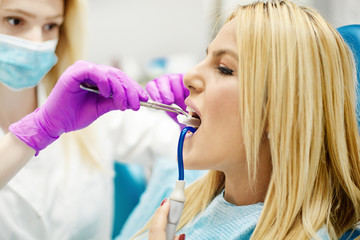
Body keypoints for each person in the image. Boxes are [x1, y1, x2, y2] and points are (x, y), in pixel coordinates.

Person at [124, 1, 360, 239]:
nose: (188, 77)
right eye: (205, 59)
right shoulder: (175, 182)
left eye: (224, 69)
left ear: (279, 111)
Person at [0, 0, 180, 239]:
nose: (37, 42)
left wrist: (190, 116)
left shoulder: (84, 106)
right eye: (15, 21)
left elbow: (184, 149)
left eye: (51, 25)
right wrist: (37, 130)